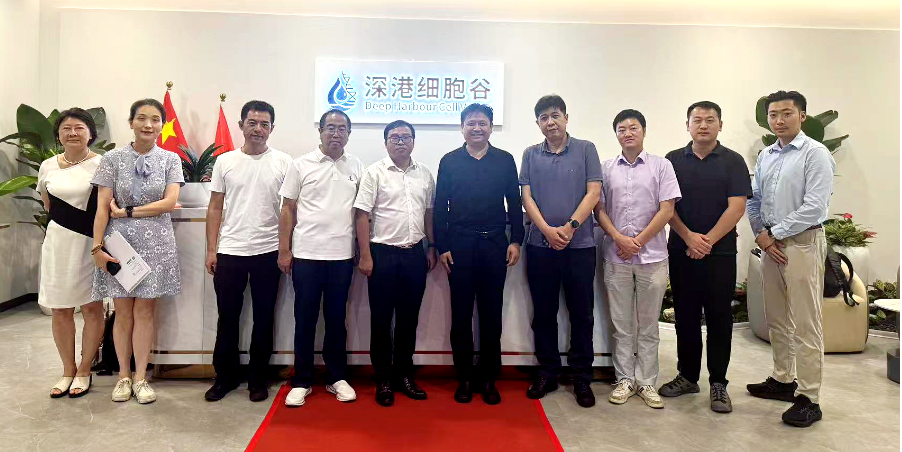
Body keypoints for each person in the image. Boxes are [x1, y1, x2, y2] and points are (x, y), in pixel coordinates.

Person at [746, 90, 835, 428]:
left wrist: (774, 233)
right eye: (773, 115)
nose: (779, 120)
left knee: (806, 322)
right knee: (777, 317)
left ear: (802, 116)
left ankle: (810, 397)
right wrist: (761, 234)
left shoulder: (815, 153)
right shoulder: (766, 155)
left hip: (802, 243)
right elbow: (754, 199)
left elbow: (815, 207)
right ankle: (783, 379)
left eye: (787, 113)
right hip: (771, 245)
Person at [658, 101, 751, 413]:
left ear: (720, 125)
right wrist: (688, 237)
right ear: (687, 125)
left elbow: (737, 207)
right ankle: (687, 376)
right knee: (685, 316)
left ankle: (719, 383)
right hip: (681, 250)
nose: (703, 125)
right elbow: (666, 207)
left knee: (719, 318)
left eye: (710, 120)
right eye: (696, 120)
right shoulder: (672, 160)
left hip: (720, 252)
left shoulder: (733, 161)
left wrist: (706, 241)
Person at [91, 98, 185, 404]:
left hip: (156, 243)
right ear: (131, 122)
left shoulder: (170, 159)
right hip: (120, 244)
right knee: (122, 312)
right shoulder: (112, 159)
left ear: (162, 125)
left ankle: (141, 377)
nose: (148, 124)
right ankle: (123, 376)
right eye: (142, 118)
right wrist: (97, 247)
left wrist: (129, 212)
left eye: (155, 119)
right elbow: (102, 208)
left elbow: (169, 202)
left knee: (145, 311)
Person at [433, 103, 524, 405]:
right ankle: (463, 377)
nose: (476, 128)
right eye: (471, 123)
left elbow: (514, 203)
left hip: (494, 245)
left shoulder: (504, 160)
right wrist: (442, 246)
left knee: (491, 315)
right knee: (460, 316)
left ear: (490, 127)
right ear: (462, 127)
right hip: (459, 247)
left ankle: (488, 378)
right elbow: (440, 206)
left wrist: (516, 240)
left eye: (482, 123)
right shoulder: (449, 161)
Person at [204, 100, 292, 402]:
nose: (258, 129)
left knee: (264, 318)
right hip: (230, 251)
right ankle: (224, 378)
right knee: (227, 317)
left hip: (268, 251)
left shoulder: (283, 162)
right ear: (241, 125)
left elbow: (288, 209)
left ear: (272, 129)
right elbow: (215, 207)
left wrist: (284, 249)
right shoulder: (225, 161)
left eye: (264, 124)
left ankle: (258, 379)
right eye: (252, 123)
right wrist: (211, 250)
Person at [595, 109, 680, 409]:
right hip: (616, 256)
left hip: (652, 257)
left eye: (633, 128)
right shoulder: (606, 168)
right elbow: (599, 209)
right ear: (616, 134)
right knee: (621, 324)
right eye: (622, 129)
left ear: (644, 131)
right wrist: (619, 239)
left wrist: (638, 242)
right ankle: (624, 380)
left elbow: (667, 210)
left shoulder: (662, 165)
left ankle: (646, 382)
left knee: (648, 325)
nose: (628, 133)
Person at [519, 95, 601, 408]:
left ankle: (581, 376)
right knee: (543, 313)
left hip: (580, 246)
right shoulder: (530, 154)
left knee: (582, 313)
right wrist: (546, 230)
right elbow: (527, 198)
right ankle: (548, 371)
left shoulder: (586, 149)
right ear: (537, 123)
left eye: (555, 115)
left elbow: (593, 192)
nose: (550, 122)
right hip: (540, 247)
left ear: (566, 117)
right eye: (543, 118)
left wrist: (570, 227)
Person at [279, 109, 363, 407]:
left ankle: (336, 377)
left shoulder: (356, 166)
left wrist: (360, 249)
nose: (336, 133)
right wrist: (284, 249)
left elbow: (361, 212)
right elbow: (287, 208)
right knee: (305, 319)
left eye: (342, 129)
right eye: (330, 127)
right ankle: (302, 380)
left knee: (336, 319)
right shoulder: (300, 165)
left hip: (342, 256)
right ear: (321, 131)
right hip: (306, 255)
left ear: (348, 134)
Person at [354, 120, 436, 407]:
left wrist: (432, 246)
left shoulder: (424, 174)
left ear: (413, 141)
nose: (400, 141)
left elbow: (429, 214)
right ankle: (383, 378)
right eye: (395, 137)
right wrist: (365, 254)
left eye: (406, 137)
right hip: (382, 255)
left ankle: (404, 375)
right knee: (380, 319)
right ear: (386, 142)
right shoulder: (374, 173)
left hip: (415, 254)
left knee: (408, 319)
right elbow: (361, 215)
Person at [38, 108, 105, 398]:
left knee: (91, 308)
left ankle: (85, 369)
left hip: (89, 245)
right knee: (60, 308)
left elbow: (105, 207)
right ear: (58, 135)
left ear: (91, 133)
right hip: (57, 244)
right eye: (66, 128)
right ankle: (68, 369)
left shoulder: (102, 164)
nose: (73, 133)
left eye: (79, 128)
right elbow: (48, 204)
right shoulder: (47, 166)